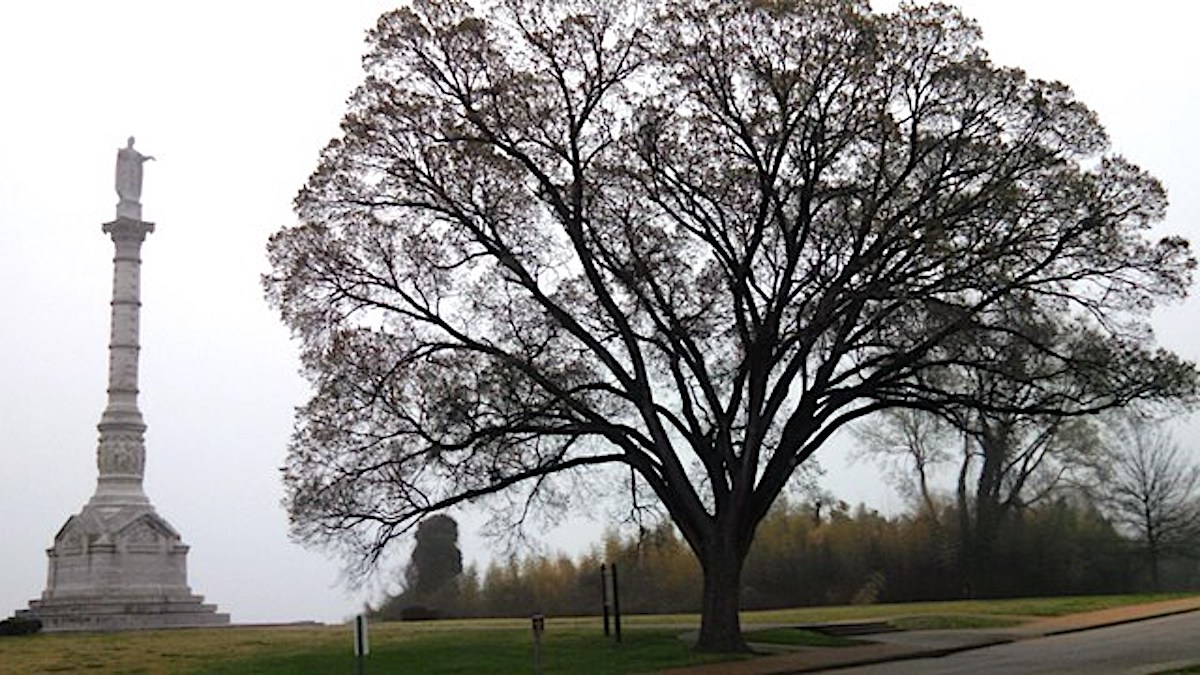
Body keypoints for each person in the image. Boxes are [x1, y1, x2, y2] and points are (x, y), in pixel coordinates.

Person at [115, 136, 154, 204]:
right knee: (125, 184)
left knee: (133, 185)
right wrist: (120, 153)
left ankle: (133, 198)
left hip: (134, 172)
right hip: (126, 172)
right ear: (128, 141)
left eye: (132, 141)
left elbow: (141, 158)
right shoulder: (125, 151)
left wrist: (149, 157)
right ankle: (125, 197)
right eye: (130, 140)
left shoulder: (135, 153)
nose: (131, 142)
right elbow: (121, 158)